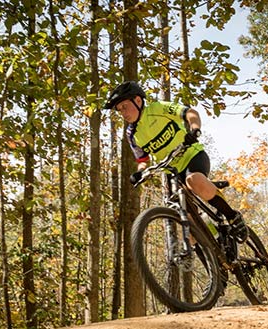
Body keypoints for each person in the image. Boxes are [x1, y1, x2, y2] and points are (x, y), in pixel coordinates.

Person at [103, 81, 248, 243]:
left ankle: (233, 217)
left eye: (124, 106)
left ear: (137, 101)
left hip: (192, 156)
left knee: (193, 180)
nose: (123, 113)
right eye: (119, 110)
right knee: (188, 222)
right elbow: (143, 158)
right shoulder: (132, 134)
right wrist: (141, 171)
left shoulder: (157, 109)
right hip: (172, 172)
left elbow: (189, 112)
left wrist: (194, 129)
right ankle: (216, 249)